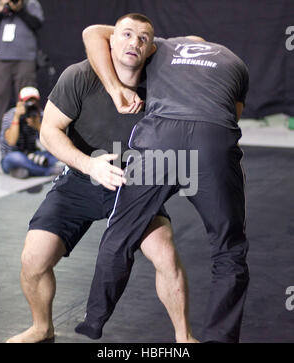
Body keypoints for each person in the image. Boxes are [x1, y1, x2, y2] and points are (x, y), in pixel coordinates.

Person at [6, 14, 197, 343]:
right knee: (33, 258)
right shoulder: (80, 75)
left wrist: (162, 45)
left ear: (152, 49)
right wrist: (89, 165)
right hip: (80, 179)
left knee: (165, 253)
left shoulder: (162, 81)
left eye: (142, 39)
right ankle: (42, 328)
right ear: (109, 40)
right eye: (125, 34)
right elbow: (50, 132)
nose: (133, 43)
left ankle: (184, 338)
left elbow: (196, 44)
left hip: (133, 186)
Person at [75, 13, 250, 343]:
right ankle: (220, 338)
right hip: (212, 141)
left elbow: (93, 32)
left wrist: (115, 90)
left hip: (160, 139)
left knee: (122, 231)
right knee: (229, 249)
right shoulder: (234, 61)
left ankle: (94, 320)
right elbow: (233, 116)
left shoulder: (160, 47)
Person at [0, 0, 44, 141]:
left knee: (27, 97)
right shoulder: (0, 3)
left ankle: (26, 133)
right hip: (2, 57)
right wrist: (0, 10)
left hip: (25, 58)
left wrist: (20, 9)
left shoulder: (31, 4)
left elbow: (37, 24)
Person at [0, 86, 60, 178]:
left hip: (32, 154)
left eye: (33, 101)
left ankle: (24, 170)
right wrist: (16, 117)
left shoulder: (39, 114)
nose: (31, 104)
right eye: (28, 101)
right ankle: (47, 171)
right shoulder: (10, 115)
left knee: (57, 153)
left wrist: (38, 126)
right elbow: (11, 142)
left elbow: (52, 142)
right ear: (20, 102)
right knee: (17, 158)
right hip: (11, 156)